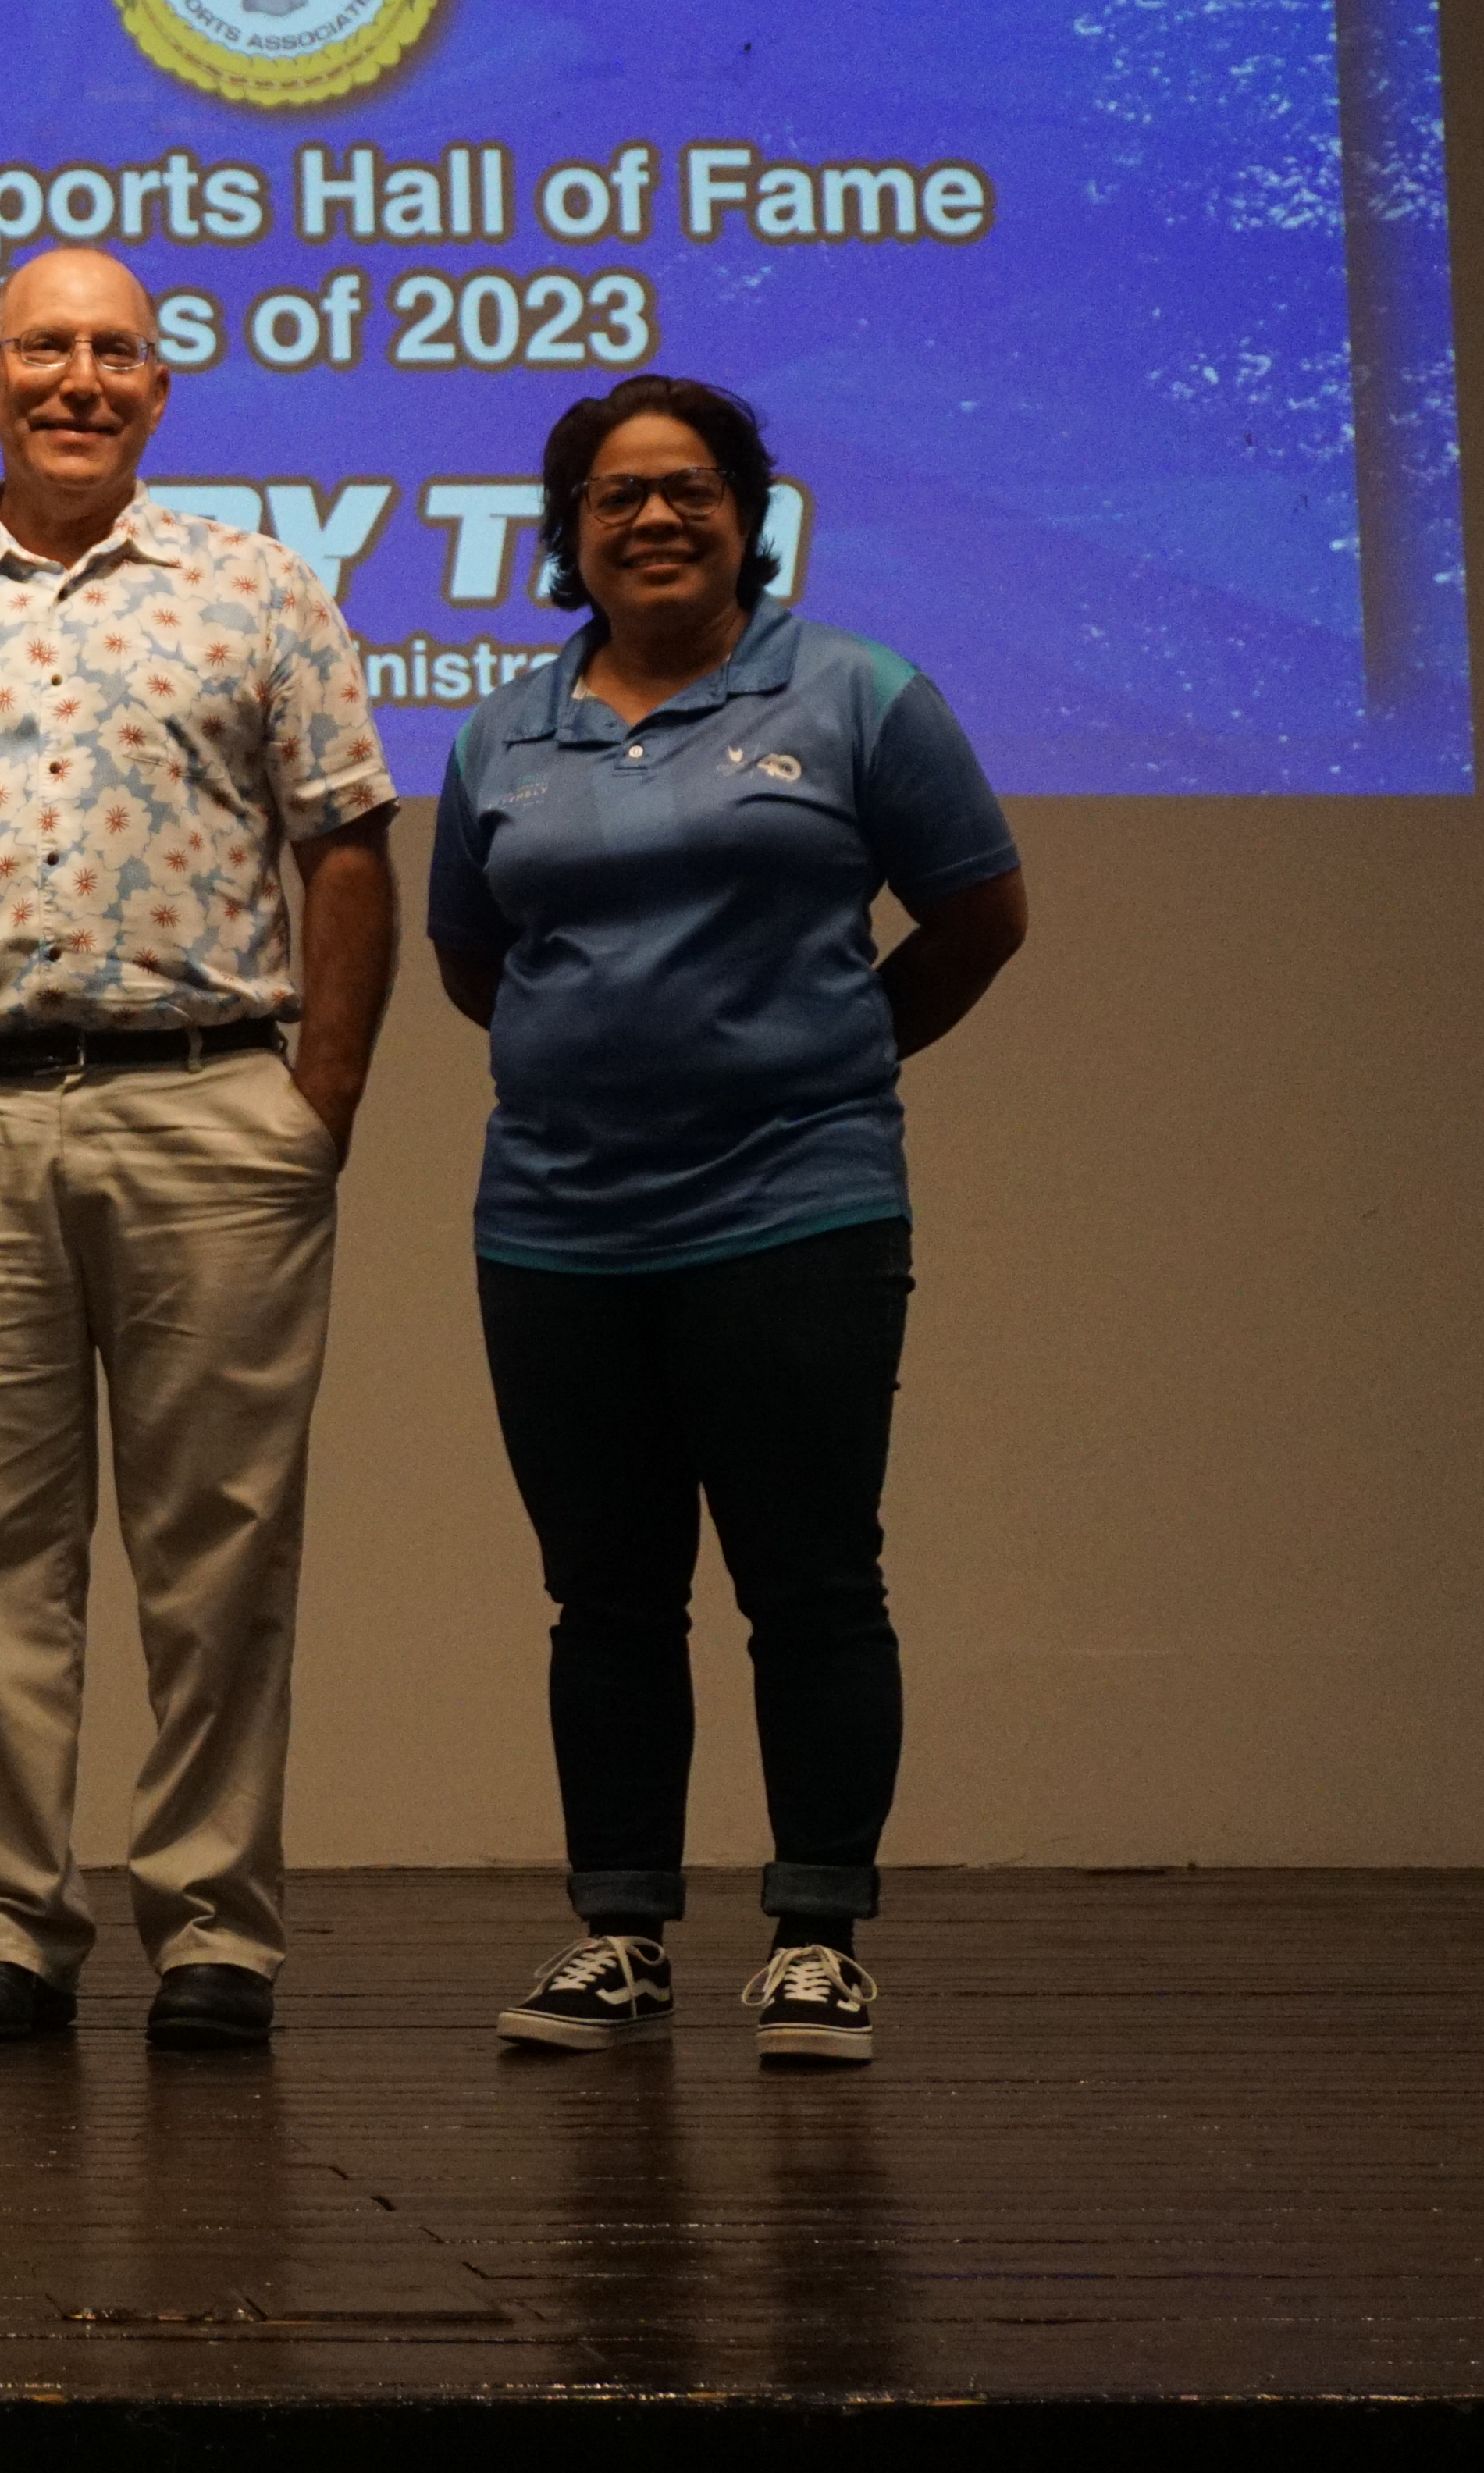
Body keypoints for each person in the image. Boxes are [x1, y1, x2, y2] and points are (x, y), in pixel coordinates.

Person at [0, 244, 400, 2056]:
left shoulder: (259, 589)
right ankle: (7, 1917)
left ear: (160, 387)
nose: (78, 379)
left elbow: (346, 852)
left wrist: (321, 1102)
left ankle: (215, 1925)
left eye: (114, 352)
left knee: (221, 1542)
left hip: (215, 1106)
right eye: (42, 349)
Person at [432, 376, 1027, 2069]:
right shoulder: (503, 729)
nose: (654, 519)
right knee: (605, 1596)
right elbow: (477, 961)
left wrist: (823, 1061)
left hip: (796, 1209)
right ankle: (619, 1932)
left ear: (750, 513)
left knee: (813, 1579)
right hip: (556, 1225)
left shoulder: (858, 693)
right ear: (569, 531)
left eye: (690, 488)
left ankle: (819, 1932)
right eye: (616, 496)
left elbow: (979, 913)